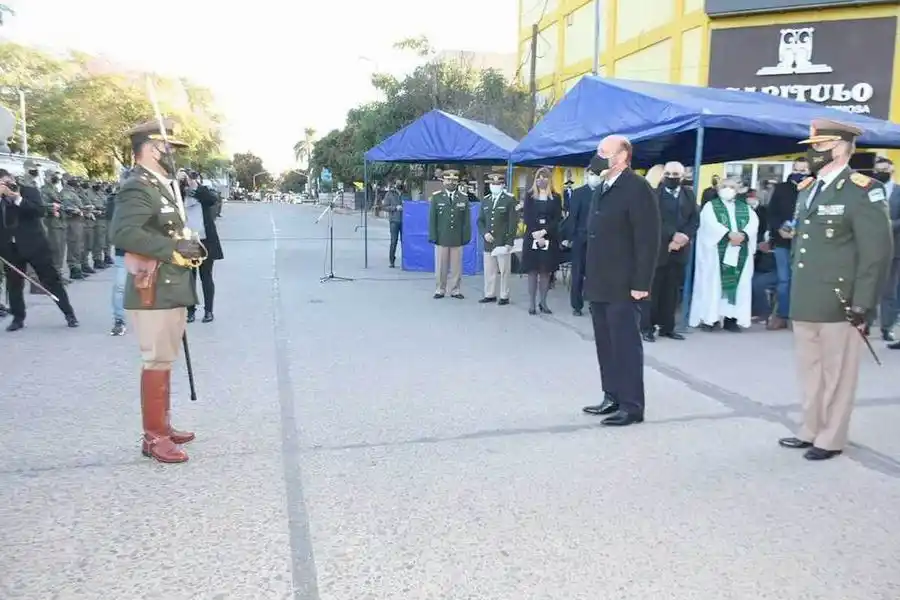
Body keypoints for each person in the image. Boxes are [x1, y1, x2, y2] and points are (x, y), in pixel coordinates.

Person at [777, 119, 893, 461]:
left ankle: (831, 437)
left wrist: (863, 303)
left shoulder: (862, 189)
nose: (811, 152)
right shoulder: (809, 187)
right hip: (806, 298)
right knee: (810, 371)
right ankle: (811, 428)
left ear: (840, 147)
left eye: (819, 145)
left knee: (838, 374)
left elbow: (876, 253)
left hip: (839, 301)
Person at [111, 119, 204, 464]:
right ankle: (154, 436)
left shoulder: (161, 184)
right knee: (156, 358)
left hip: (169, 283)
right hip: (153, 284)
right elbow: (125, 234)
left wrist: (185, 242)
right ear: (150, 148)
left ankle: (163, 424)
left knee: (164, 357)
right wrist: (173, 248)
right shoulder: (138, 185)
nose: (172, 155)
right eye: (168, 148)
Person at [580, 136, 660, 427]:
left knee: (625, 345)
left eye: (605, 152)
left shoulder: (638, 188)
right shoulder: (602, 187)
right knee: (605, 343)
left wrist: (641, 283)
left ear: (623, 156)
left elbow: (647, 240)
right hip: (600, 281)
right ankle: (611, 395)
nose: (599, 157)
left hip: (624, 283)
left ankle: (631, 406)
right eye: (598, 151)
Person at [0, 169, 79, 332]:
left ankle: (69, 313)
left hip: (35, 246)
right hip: (10, 248)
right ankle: (18, 318)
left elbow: (39, 211)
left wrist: (17, 198)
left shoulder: (29, 191)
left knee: (51, 280)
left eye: (6, 182)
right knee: (14, 285)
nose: (5, 187)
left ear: (12, 179)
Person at [689, 177, 759, 332]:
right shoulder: (710, 206)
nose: (728, 189)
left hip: (740, 250)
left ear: (738, 189)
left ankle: (731, 318)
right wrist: (728, 234)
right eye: (724, 186)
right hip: (716, 252)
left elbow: (753, 224)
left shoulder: (745, 208)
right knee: (713, 285)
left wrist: (743, 235)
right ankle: (710, 319)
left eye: (732, 186)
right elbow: (710, 224)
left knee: (738, 284)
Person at [641, 161, 699, 342]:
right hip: (658, 250)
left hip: (679, 251)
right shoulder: (653, 194)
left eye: (676, 176)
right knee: (653, 291)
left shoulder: (688, 195)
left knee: (672, 292)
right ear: (663, 175)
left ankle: (667, 327)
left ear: (682, 177)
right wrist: (673, 235)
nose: (672, 179)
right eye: (669, 175)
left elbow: (694, 220)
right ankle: (647, 328)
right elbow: (652, 220)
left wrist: (685, 237)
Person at [766, 158, 809, 330]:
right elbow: (772, 213)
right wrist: (779, 229)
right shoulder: (781, 188)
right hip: (782, 241)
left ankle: (800, 317)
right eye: (798, 170)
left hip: (806, 241)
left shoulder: (815, 188)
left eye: (805, 171)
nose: (801, 174)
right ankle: (782, 315)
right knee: (784, 280)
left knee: (803, 280)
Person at [520, 167, 563, 315]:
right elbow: (527, 217)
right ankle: (531, 303)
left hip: (549, 237)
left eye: (544, 177)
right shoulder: (530, 196)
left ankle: (543, 302)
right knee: (532, 271)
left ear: (549, 180)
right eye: (539, 177)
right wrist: (536, 234)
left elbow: (557, 218)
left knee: (545, 272)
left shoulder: (556, 197)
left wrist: (545, 232)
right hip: (532, 236)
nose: (541, 180)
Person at [184, 171, 223, 323]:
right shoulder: (179, 193)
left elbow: (212, 200)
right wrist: (180, 185)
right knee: (189, 278)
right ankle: (190, 311)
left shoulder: (202, 191)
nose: (186, 180)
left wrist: (195, 185)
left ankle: (208, 311)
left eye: (188, 177)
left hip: (205, 239)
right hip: (188, 240)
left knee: (206, 276)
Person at [563, 161, 601, 316]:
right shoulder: (579, 193)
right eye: (592, 174)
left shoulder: (605, 192)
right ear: (587, 176)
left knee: (595, 274)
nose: (595, 178)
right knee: (578, 273)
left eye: (597, 174)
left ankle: (594, 303)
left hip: (599, 240)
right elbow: (573, 217)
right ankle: (576, 305)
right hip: (580, 238)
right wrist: (569, 237)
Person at [428, 169, 471, 299]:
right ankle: (440, 289)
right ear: (443, 181)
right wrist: (433, 236)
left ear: (457, 182)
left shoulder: (463, 198)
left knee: (456, 267)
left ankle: (455, 290)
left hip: (457, 238)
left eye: (454, 180)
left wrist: (466, 237)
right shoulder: (436, 197)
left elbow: (466, 221)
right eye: (448, 180)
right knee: (441, 266)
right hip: (442, 237)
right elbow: (432, 219)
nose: (451, 182)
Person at [477, 172, 517, 306]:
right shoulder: (486, 200)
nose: (495, 186)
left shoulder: (509, 200)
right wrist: (484, 233)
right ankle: (490, 294)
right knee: (489, 270)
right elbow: (480, 221)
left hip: (502, 241)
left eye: (498, 184)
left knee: (504, 270)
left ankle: (504, 295)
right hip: (489, 241)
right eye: (493, 184)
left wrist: (509, 242)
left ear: (503, 185)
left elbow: (513, 222)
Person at [873, 157, 900, 346]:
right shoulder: (867, 190)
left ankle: (887, 327)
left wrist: (890, 225)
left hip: (894, 247)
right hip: (869, 246)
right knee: (868, 286)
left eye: (885, 169)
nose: (881, 172)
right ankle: (864, 323)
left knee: (889, 290)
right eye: (879, 169)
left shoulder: (898, 191)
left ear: (892, 171)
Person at [41, 170, 68, 282]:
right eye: (52, 176)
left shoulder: (55, 189)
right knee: (55, 249)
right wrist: (53, 208)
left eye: (55, 176)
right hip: (52, 223)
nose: (55, 178)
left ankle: (59, 272)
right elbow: (42, 205)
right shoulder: (44, 190)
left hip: (60, 222)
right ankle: (53, 275)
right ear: (47, 177)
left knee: (61, 249)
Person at [62, 177, 87, 280]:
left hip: (78, 221)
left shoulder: (75, 192)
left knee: (79, 245)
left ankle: (78, 267)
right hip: (72, 221)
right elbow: (67, 206)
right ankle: (74, 269)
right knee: (74, 245)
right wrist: (76, 210)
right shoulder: (66, 192)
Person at [384, 179, 403, 268]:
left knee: (406, 241)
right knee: (393, 241)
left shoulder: (406, 194)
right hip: (394, 221)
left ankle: (407, 260)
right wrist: (395, 208)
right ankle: (392, 260)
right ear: (395, 184)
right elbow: (385, 207)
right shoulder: (390, 194)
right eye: (398, 182)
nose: (400, 184)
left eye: (401, 182)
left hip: (405, 222)